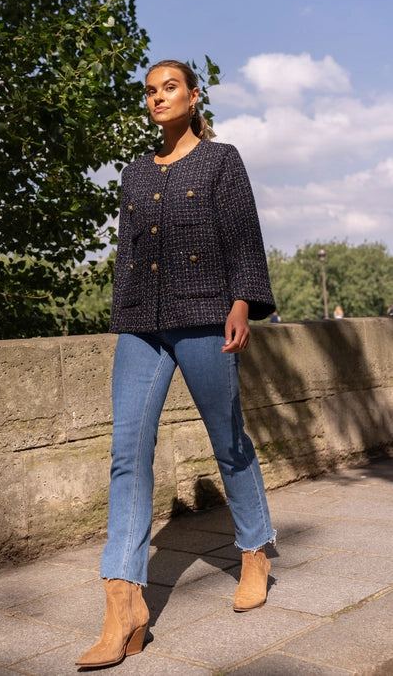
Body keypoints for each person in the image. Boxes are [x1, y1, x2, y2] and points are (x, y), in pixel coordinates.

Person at [76, 60, 277, 670]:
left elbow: (243, 236)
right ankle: (123, 602)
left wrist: (241, 302)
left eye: (170, 88)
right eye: (150, 91)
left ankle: (254, 550)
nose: (158, 98)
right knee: (127, 452)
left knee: (227, 439)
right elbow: (126, 256)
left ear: (193, 96)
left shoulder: (222, 160)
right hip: (142, 323)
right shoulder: (136, 173)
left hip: (207, 315)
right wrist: (123, 317)